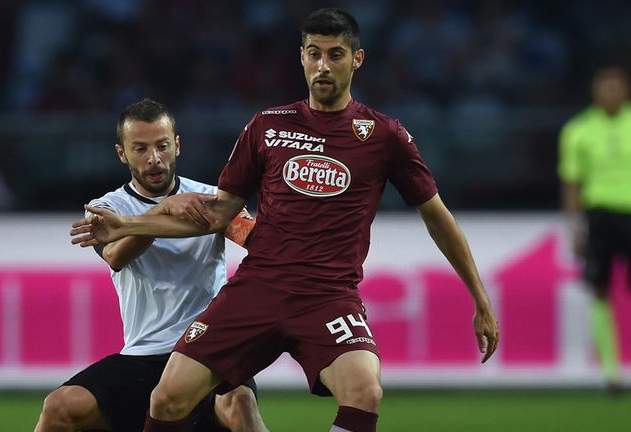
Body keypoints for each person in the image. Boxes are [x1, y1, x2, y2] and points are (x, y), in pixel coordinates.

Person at [71, 8, 499, 432]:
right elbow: (218, 214)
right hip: (258, 287)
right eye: (314, 54)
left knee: (365, 391)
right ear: (301, 57)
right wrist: (128, 226)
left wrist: (479, 297)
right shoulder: (267, 126)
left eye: (335, 54)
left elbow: (437, 218)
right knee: (167, 398)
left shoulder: (384, 135)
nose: (323, 65)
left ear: (357, 59)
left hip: (328, 294)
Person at [35, 99, 267, 432]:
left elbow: (257, 240)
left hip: (206, 351)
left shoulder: (212, 200)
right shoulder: (106, 207)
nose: (154, 158)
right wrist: (164, 209)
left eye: (161, 146)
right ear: (122, 153)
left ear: (177, 145)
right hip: (143, 358)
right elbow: (117, 255)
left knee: (239, 404)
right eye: (140, 148)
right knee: (60, 408)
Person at [558, 66, 631, 392]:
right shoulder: (579, 130)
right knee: (600, 291)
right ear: (595, 90)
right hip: (598, 216)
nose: (611, 91)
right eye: (605, 86)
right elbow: (572, 182)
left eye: (616, 86)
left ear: (627, 90)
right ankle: (612, 374)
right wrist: (573, 227)